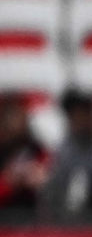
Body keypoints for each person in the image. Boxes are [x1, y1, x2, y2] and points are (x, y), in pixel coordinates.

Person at [42, 88, 92, 220]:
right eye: (74, 115)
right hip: (66, 223)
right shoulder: (64, 149)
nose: (79, 120)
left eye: (83, 114)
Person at [0, 90, 49, 219]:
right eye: (10, 116)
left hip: (31, 221)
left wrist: (42, 179)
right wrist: (8, 183)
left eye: (21, 114)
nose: (16, 121)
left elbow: (51, 176)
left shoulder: (37, 149)